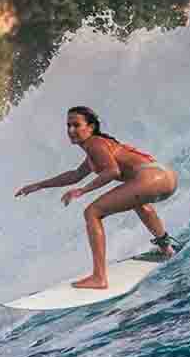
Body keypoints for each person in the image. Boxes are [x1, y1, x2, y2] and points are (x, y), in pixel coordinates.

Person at [15, 106, 179, 289]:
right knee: (139, 203)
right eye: (68, 125)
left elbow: (112, 171)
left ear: (91, 127)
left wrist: (82, 191)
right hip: (165, 176)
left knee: (92, 212)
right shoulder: (97, 147)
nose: (70, 130)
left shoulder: (95, 144)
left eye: (76, 125)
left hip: (152, 177)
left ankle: (99, 277)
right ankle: (167, 248)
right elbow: (75, 175)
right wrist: (38, 185)